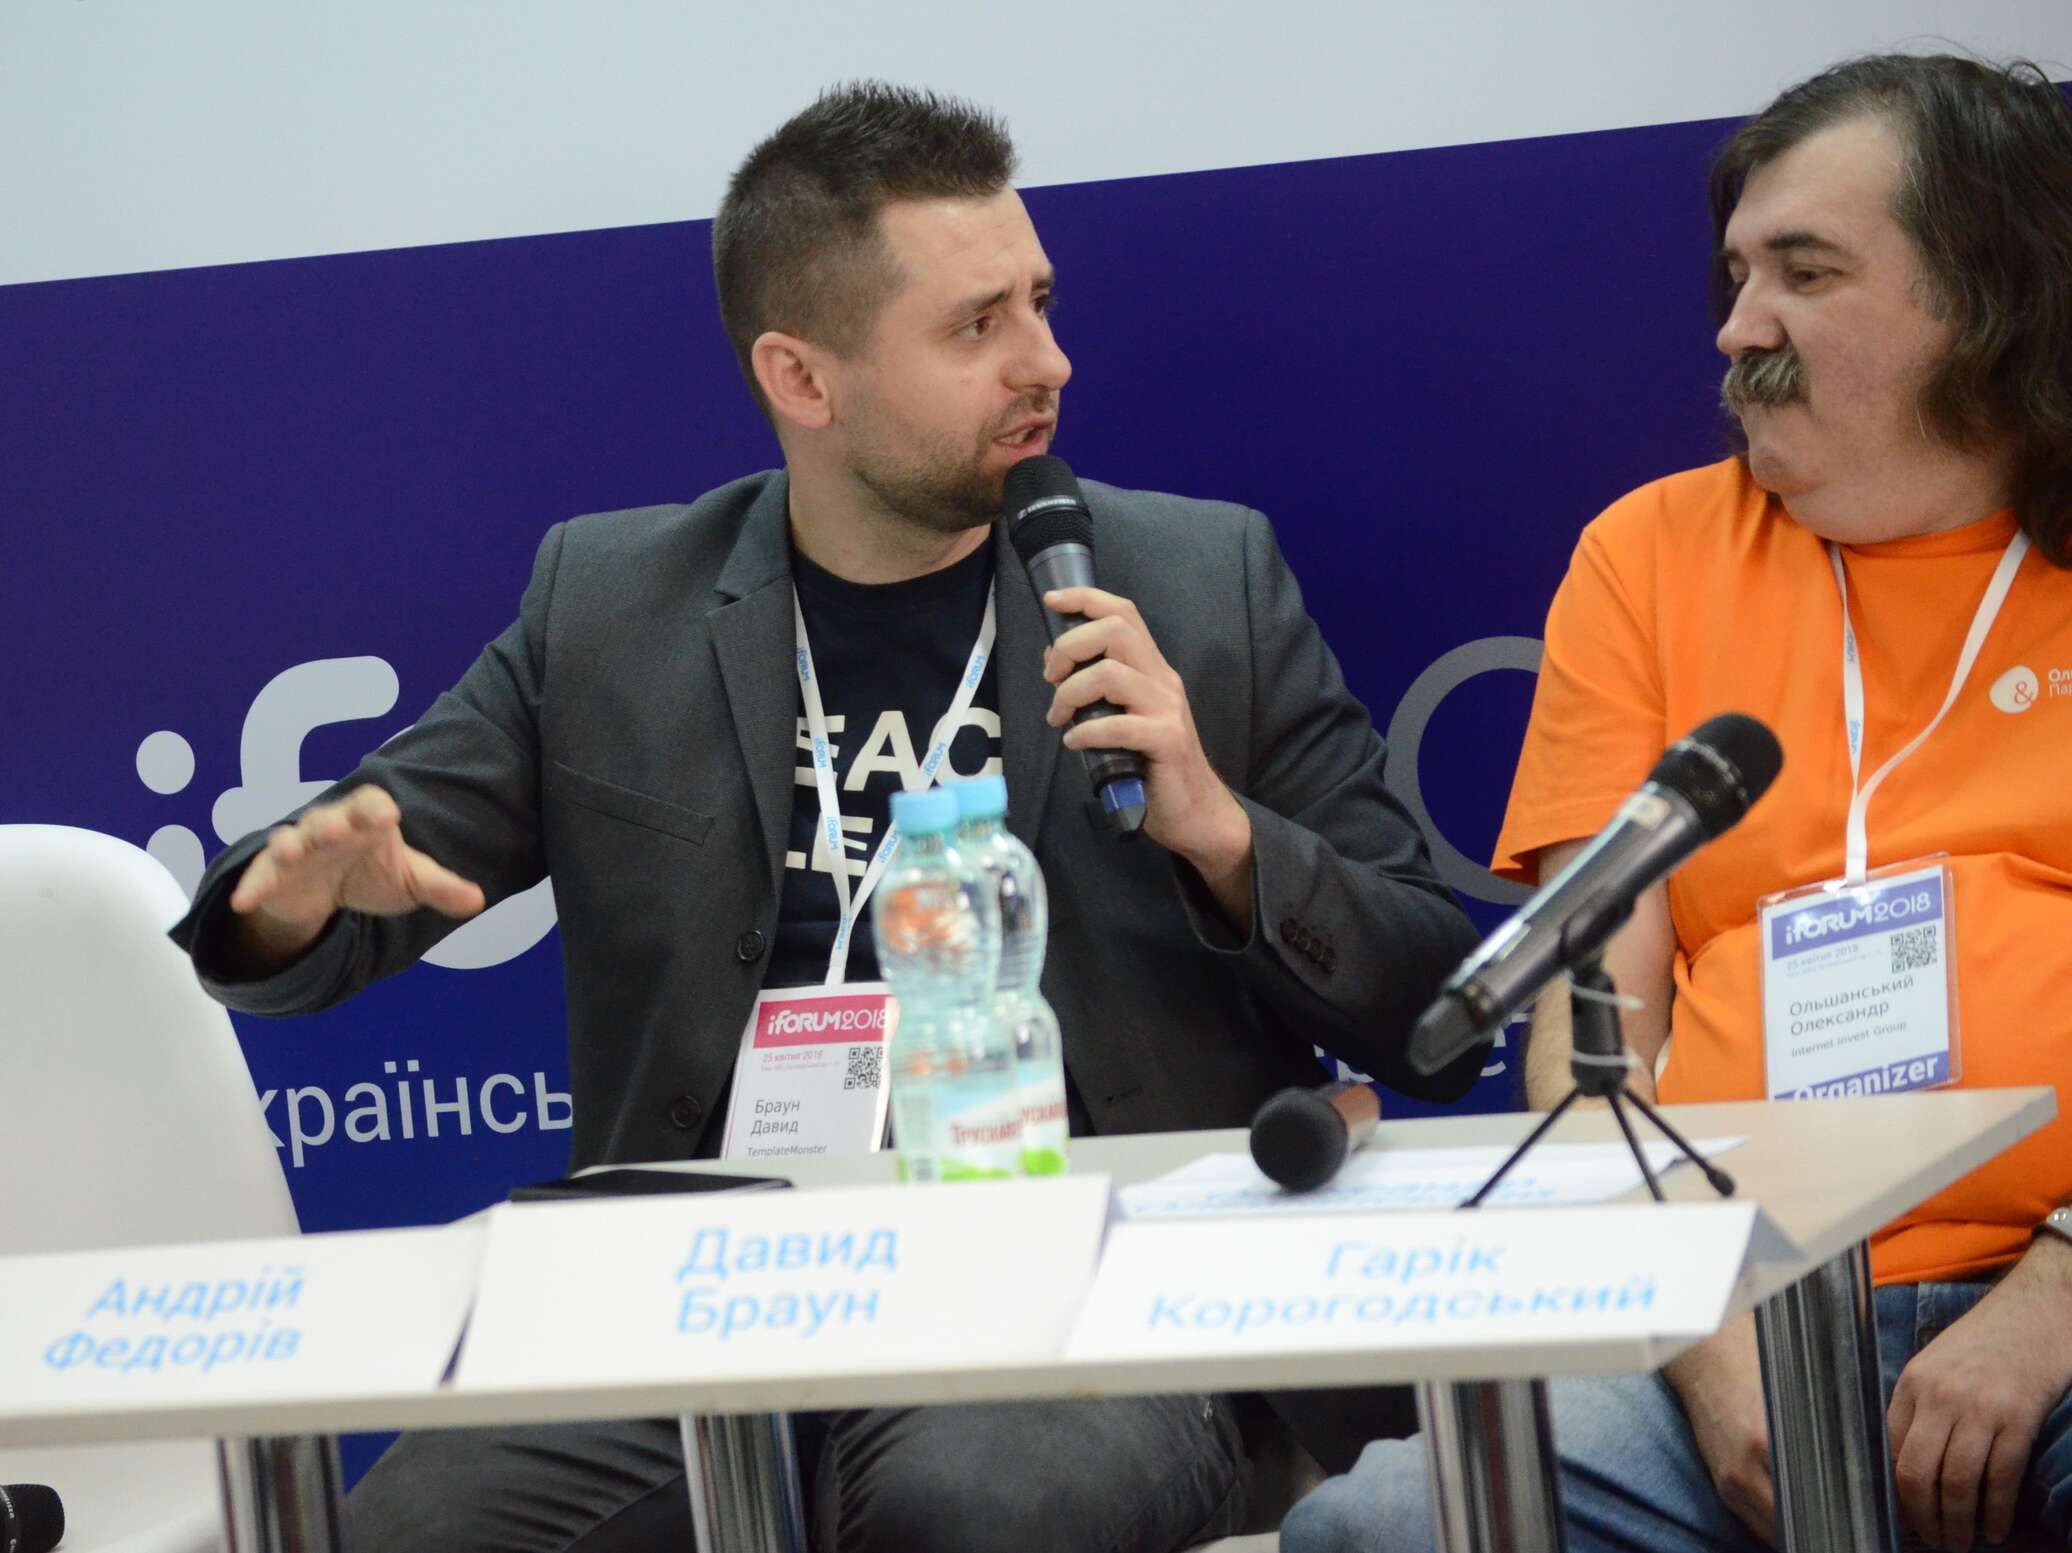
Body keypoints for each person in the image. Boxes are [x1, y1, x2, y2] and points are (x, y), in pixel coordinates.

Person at [171, 82, 1484, 1553]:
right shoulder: (610, 607)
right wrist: (290, 903)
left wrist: (1224, 838)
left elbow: (1439, 1005)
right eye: (976, 326)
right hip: (692, 1295)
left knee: (973, 1514)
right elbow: (350, 882)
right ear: (802, 377)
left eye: (1040, 303)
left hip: (1080, 1291)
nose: (1047, 361)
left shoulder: (1198, 582)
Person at [1284, 51, 2072, 1553]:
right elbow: (1595, 1035)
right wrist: (1708, 1341)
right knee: (1379, 1529)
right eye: (1737, 273)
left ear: (1986, 300)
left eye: (1805, 273)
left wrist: (2054, 1303)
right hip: (1737, 1291)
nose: (1738, 325)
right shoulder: (1648, 557)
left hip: (2055, 1288)